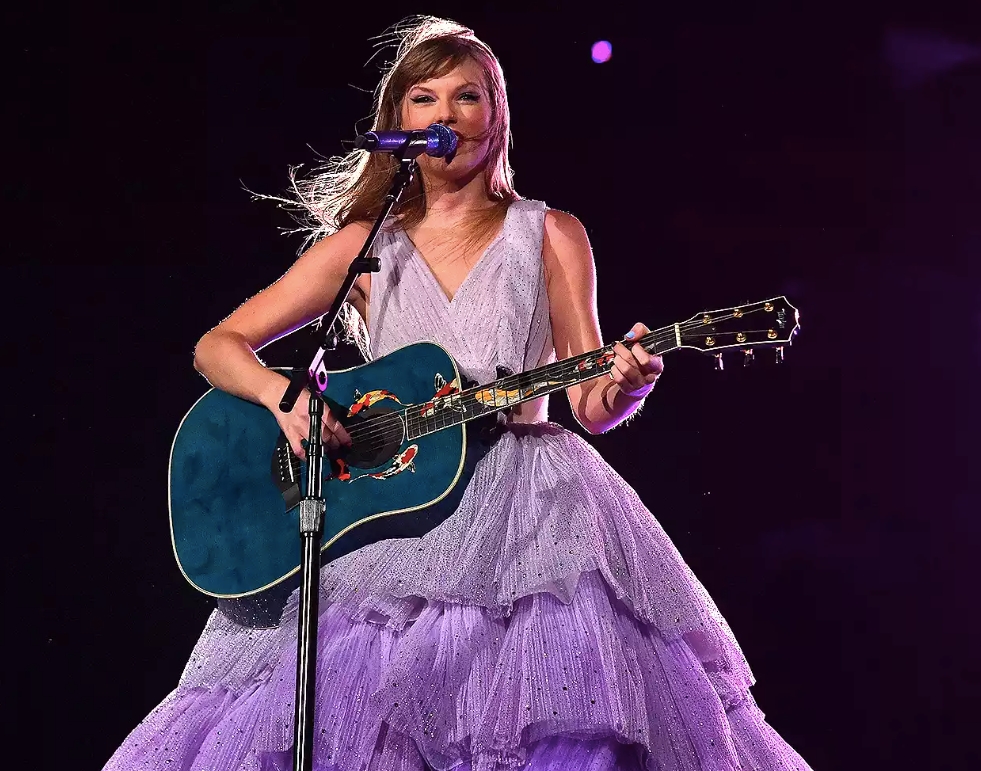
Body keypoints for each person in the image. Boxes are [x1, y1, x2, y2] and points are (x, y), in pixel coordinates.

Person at [104, 16, 812, 771]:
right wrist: (289, 400)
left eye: (467, 96)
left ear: (495, 116)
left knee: (550, 718)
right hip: (392, 515)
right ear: (398, 121)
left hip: (529, 511)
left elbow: (589, 403)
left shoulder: (550, 234)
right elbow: (217, 345)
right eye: (424, 98)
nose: (446, 114)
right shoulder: (364, 246)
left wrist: (627, 383)